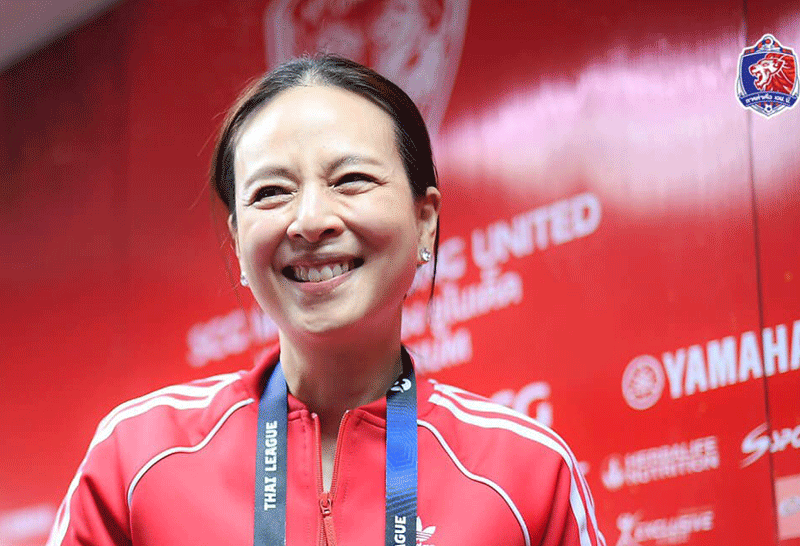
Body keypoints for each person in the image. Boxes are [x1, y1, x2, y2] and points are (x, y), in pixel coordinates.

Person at [47, 55, 605, 546]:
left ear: (425, 221)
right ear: (238, 244)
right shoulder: (138, 457)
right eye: (271, 192)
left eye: (351, 179)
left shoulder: (526, 472)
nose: (310, 221)